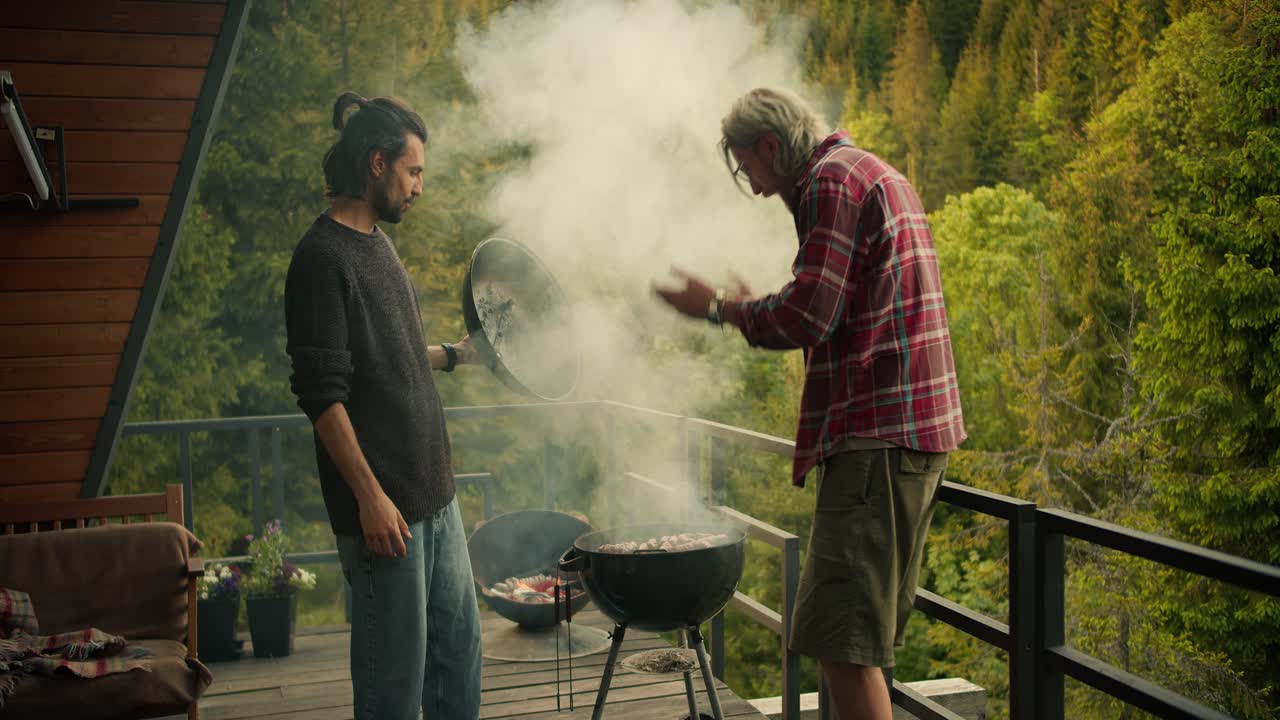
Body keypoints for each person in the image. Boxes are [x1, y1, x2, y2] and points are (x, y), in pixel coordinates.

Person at [655, 87, 966, 720]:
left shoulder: (828, 183)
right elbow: (841, 303)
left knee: (840, 645)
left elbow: (811, 315)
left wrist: (719, 309)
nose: (757, 186)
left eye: (750, 169)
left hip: (877, 437)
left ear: (771, 146)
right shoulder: (869, 170)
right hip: (909, 433)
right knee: (857, 644)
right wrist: (758, 305)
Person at [284, 91, 483, 720]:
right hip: (387, 513)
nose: (419, 187)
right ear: (376, 164)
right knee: (393, 691)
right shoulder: (321, 259)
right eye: (414, 171)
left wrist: (452, 354)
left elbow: (383, 354)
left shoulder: (378, 244)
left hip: (436, 497)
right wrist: (370, 498)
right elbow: (323, 394)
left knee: (457, 666)